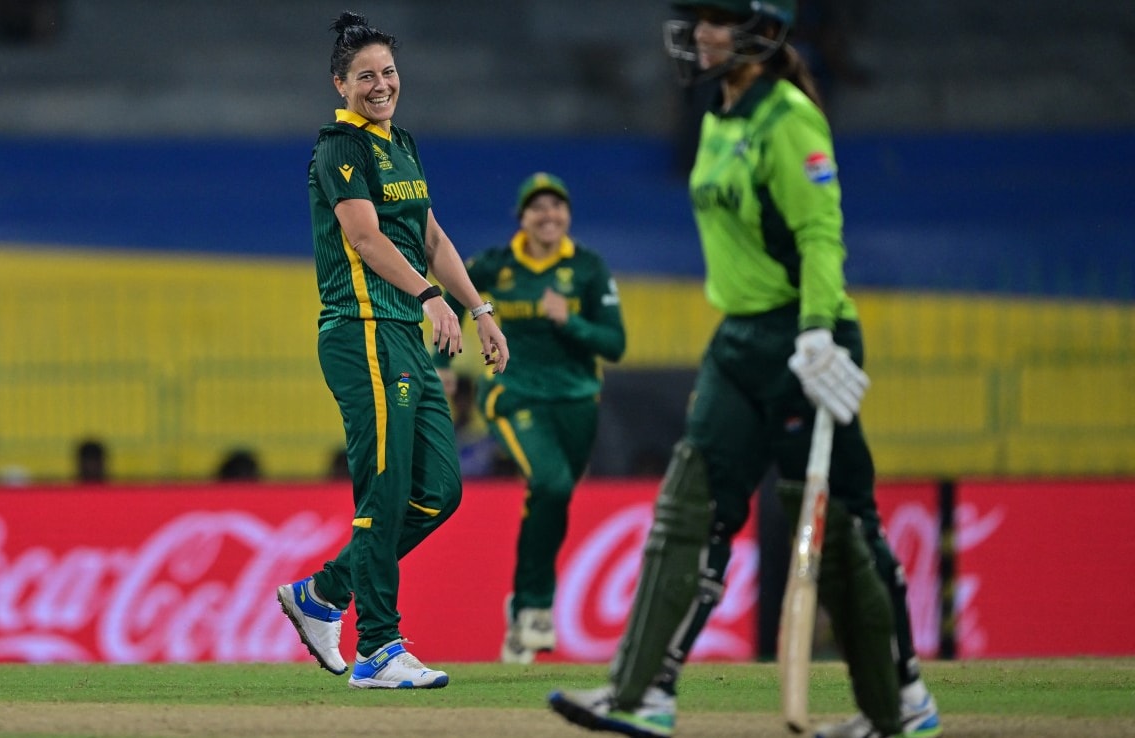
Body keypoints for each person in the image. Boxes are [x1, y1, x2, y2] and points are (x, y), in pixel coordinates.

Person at [548, 2, 942, 738]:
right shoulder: (719, 116)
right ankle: (643, 691)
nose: (701, 32)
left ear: (761, 29)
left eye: (719, 19)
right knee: (688, 510)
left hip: (803, 339)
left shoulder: (789, 117)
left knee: (843, 528)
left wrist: (818, 334)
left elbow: (821, 233)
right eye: (696, 18)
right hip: (738, 341)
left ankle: (902, 701)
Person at [275, 11, 508, 691]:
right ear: (339, 85)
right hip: (363, 330)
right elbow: (365, 238)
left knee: (439, 491)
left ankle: (323, 593)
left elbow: (432, 238)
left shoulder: (400, 143)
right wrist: (430, 295)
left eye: (389, 72)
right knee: (384, 490)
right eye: (366, 76)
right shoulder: (338, 149)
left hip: (402, 333)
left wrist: (480, 310)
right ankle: (378, 647)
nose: (381, 85)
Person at [435, 173, 626, 663]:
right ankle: (535, 608)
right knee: (551, 483)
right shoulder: (495, 265)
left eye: (556, 206)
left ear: (568, 215)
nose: (548, 215)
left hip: (577, 400)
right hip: (512, 394)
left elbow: (615, 344)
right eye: (537, 207)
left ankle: (523, 610)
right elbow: (451, 295)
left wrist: (570, 319)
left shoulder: (587, 267)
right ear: (521, 218)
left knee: (553, 495)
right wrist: (440, 363)